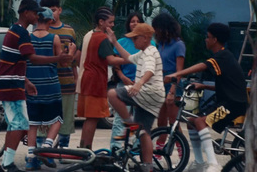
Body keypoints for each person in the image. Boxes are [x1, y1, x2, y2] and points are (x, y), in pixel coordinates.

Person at [0, 0, 73, 172]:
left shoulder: (16, 31)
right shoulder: (21, 33)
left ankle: (7, 163)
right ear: (25, 13)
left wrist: (27, 81)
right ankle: (7, 164)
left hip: (13, 81)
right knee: (19, 124)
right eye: (34, 12)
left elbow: (18, 61)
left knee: (20, 124)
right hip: (11, 84)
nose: (36, 16)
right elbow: (32, 59)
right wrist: (57, 58)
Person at [164, 23, 248, 172]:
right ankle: (199, 162)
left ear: (215, 39)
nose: (205, 40)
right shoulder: (222, 56)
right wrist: (204, 86)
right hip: (225, 101)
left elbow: (202, 65)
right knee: (191, 122)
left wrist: (177, 74)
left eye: (207, 37)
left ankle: (214, 164)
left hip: (233, 104)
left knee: (199, 122)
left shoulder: (222, 56)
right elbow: (227, 85)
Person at [106, 23, 165, 172]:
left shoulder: (150, 53)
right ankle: (147, 166)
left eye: (135, 38)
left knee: (112, 94)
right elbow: (128, 57)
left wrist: (139, 84)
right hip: (155, 96)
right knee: (144, 132)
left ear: (145, 38)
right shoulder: (144, 51)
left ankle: (130, 124)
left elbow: (150, 70)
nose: (133, 42)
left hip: (148, 92)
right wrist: (114, 42)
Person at [24, 7, 76, 171]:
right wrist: (72, 52)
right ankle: (47, 147)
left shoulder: (28, 38)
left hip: (32, 85)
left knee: (32, 124)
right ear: (50, 21)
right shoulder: (54, 38)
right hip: (51, 85)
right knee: (58, 119)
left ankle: (31, 158)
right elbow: (63, 62)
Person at [75, 7, 126, 150]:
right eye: (110, 22)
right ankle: (87, 149)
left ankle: (83, 148)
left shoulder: (88, 35)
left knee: (89, 118)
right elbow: (110, 60)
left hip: (85, 78)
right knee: (93, 117)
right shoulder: (103, 38)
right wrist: (128, 60)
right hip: (95, 81)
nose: (112, 25)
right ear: (101, 22)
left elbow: (77, 57)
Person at [109, 12, 156, 150]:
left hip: (142, 86)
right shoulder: (122, 42)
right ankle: (116, 148)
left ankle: (137, 149)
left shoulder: (150, 43)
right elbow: (116, 64)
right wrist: (122, 76)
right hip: (124, 83)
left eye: (137, 21)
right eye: (132, 21)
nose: (134, 23)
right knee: (120, 118)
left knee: (140, 120)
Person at [40, 0, 77, 150]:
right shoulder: (41, 31)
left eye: (54, 10)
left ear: (60, 10)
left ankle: (63, 150)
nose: (51, 14)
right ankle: (41, 151)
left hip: (67, 83)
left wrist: (76, 79)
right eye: (47, 11)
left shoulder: (69, 31)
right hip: (46, 84)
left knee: (66, 120)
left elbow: (73, 59)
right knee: (44, 120)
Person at [151, 13, 186, 162]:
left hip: (173, 85)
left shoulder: (178, 44)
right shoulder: (161, 44)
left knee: (174, 123)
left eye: (156, 28)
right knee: (161, 122)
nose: (155, 31)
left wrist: (172, 90)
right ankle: (158, 153)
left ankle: (182, 153)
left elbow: (179, 71)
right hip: (160, 83)